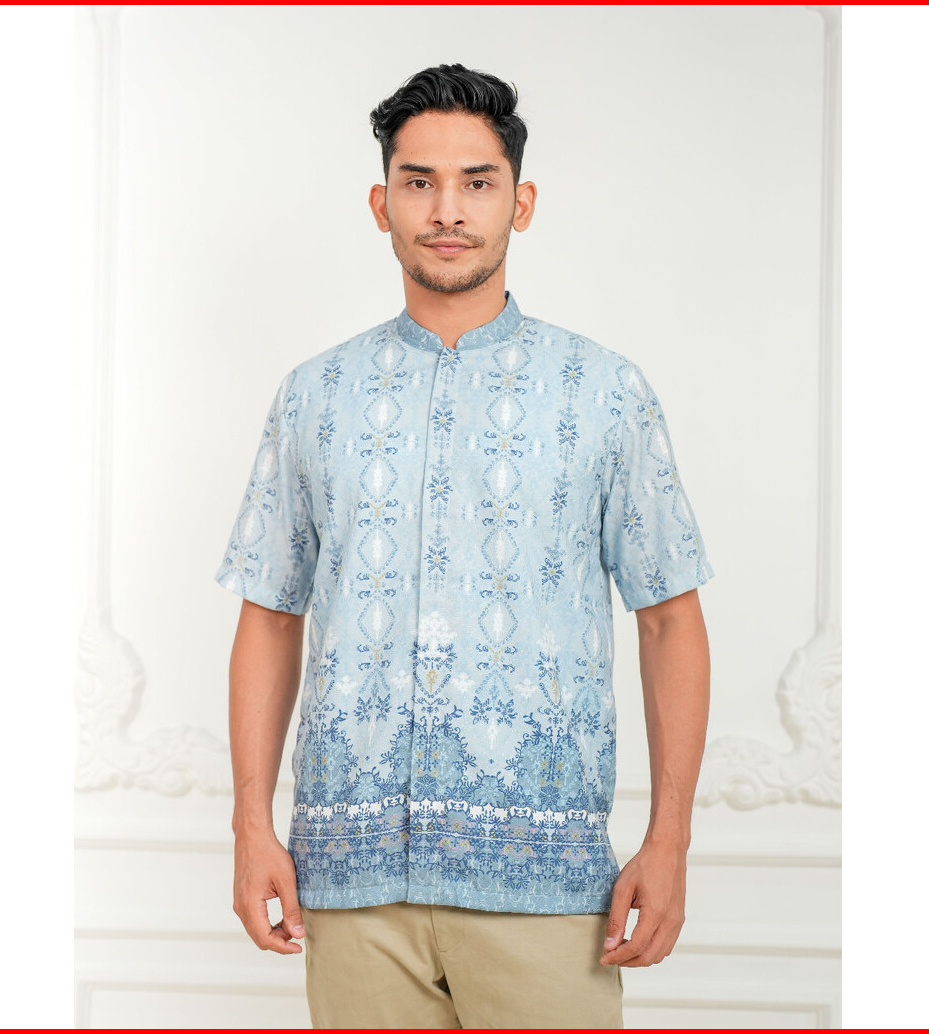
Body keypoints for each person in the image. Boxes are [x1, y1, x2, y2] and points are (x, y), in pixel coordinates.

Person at [215, 63, 714, 1030]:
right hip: (351, 880)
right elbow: (270, 616)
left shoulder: (604, 392)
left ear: (520, 203)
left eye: (477, 182)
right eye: (420, 182)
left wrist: (670, 841)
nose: (447, 209)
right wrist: (249, 827)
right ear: (382, 204)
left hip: (547, 887)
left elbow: (669, 620)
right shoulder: (315, 396)